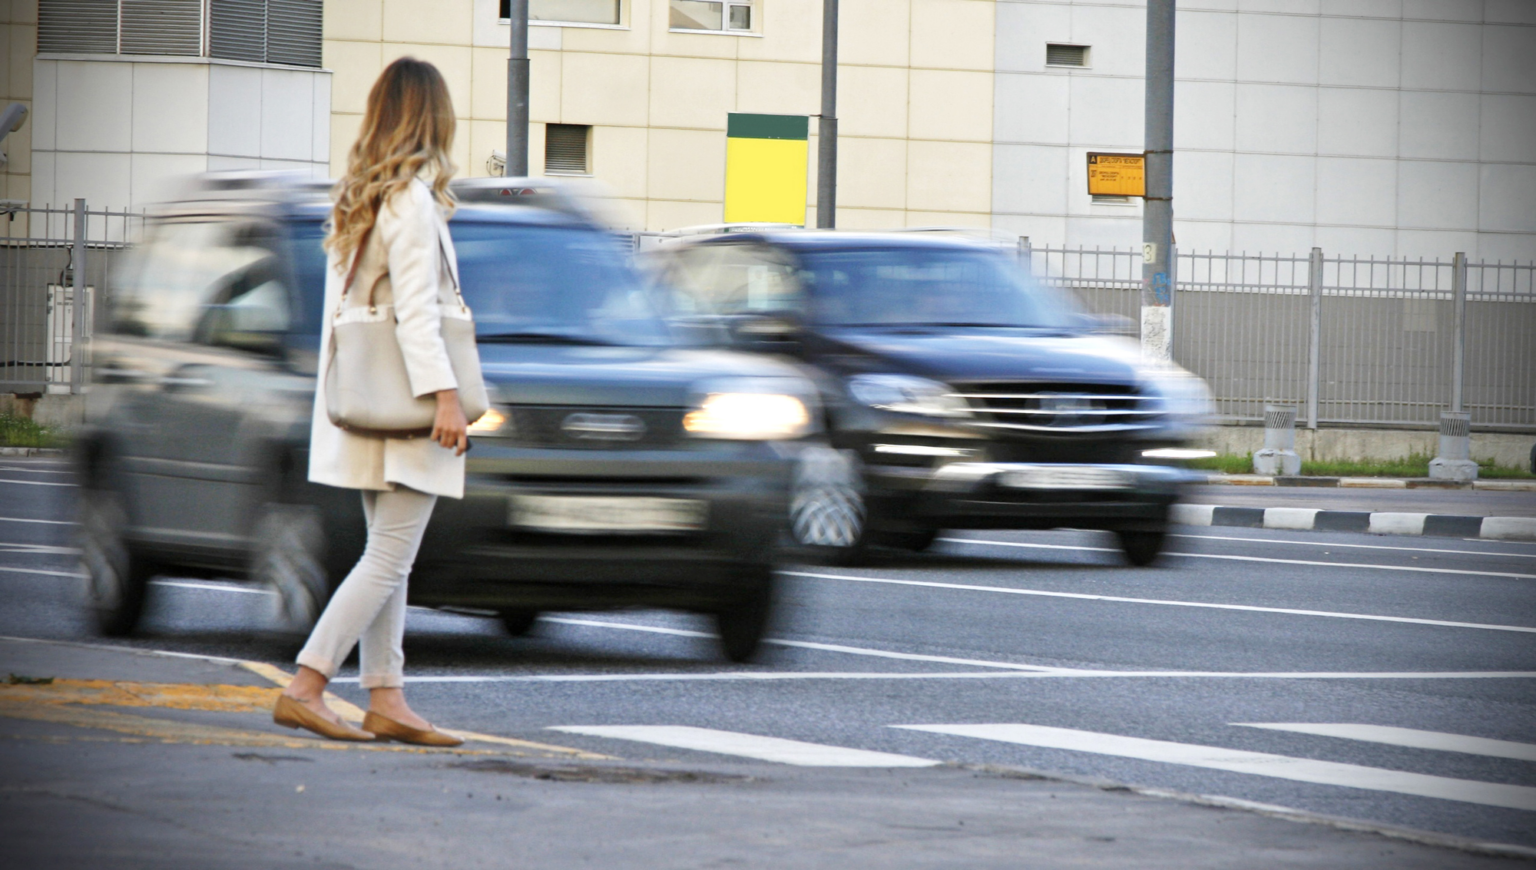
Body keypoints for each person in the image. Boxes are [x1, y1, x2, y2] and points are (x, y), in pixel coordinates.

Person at [271, 57, 468, 746]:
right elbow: (417, 315)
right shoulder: (410, 200)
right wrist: (446, 396)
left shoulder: (362, 193)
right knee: (389, 555)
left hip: (369, 401)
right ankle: (308, 684)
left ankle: (386, 694)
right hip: (409, 404)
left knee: (388, 555)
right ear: (431, 116)